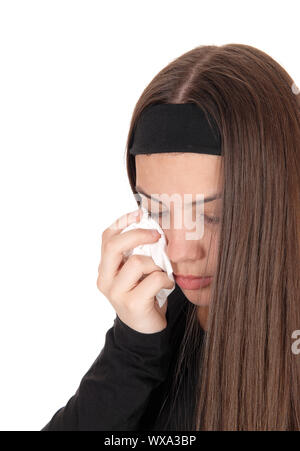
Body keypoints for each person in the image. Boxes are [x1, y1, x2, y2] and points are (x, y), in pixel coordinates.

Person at [42, 43, 300, 431]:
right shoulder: (160, 321)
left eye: (213, 215)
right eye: (159, 211)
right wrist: (133, 348)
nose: (179, 251)